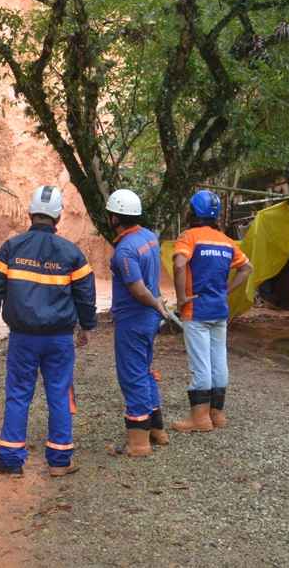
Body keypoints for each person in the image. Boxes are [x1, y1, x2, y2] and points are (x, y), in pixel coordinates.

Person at [0, 185, 97, 477]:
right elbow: (85, 294)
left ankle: (11, 460)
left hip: (23, 338)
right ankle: (59, 462)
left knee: (18, 394)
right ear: (58, 218)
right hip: (59, 339)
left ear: (31, 214)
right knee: (58, 394)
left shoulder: (11, 248)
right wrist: (86, 326)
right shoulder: (72, 253)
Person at [171, 190, 253, 432]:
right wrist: (227, 290)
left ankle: (199, 419)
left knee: (200, 364)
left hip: (195, 309)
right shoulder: (226, 241)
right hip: (219, 309)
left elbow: (178, 264)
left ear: (194, 212)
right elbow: (247, 268)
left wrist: (181, 297)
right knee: (219, 361)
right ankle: (217, 414)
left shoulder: (189, 236)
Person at [105, 189, 170, 457]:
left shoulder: (125, 250)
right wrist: (158, 306)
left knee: (132, 377)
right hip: (148, 321)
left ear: (114, 218)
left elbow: (139, 289)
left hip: (134, 320)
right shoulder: (149, 237)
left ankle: (139, 443)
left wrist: (156, 303)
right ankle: (157, 430)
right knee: (144, 371)